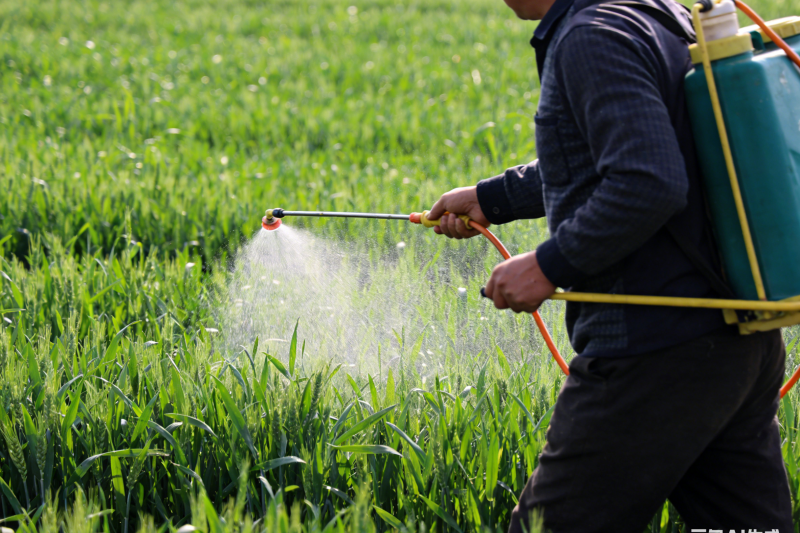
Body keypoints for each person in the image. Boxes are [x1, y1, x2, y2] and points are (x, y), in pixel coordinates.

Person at [426, 0, 794, 531]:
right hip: (736, 343)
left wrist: (548, 265)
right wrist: (495, 197)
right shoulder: (653, 10)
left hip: (653, 357)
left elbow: (649, 180)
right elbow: (632, 145)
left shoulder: (590, 36)